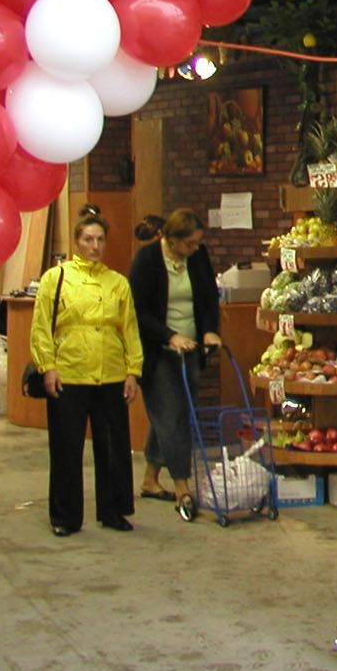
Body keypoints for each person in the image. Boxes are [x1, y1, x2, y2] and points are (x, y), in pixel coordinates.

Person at [32, 212, 143, 538]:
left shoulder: (118, 283)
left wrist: (132, 370)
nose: (94, 246)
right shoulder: (57, 278)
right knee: (67, 448)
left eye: (100, 240)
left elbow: (130, 329)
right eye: (88, 239)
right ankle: (65, 516)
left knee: (113, 446)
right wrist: (47, 365)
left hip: (109, 373)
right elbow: (42, 326)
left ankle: (113, 510)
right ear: (77, 241)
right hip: (70, 372)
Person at [128, 208, 222, 518]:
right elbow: (139, 312)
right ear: (171, 239)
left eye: (198, 244)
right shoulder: (147, 261)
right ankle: (182, 485)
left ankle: (150, 480)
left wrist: (209, 330)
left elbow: (208, 296)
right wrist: (169, 336)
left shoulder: (197, 257)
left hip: (191, 348)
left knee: (176, 411)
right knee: (172, 415)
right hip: (158, 351)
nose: (195, 249)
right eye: (190, 244)